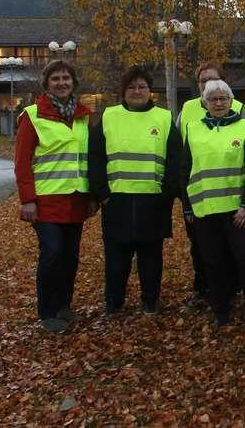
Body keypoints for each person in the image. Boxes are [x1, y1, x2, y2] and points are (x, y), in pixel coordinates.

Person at [88, 66, 181, 315]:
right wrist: (103, 194)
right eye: (131, 87)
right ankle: (114, 302)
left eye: (142, 87)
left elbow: (175, 160)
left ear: (150, 91)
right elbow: (95, 158)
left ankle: (150, 300)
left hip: (153, 202)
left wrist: (166, 195)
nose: (137, 91)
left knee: (151, 258)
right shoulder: (109, 116)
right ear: (123, 91)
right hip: (117, 202)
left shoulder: (163, 118)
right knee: (116, 260)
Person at [14, 59, 95, 333]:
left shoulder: (83, 115)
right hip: (45, 202)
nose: (61, 83)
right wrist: (27, 200)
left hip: (75, 200)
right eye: (56, 78)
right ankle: (47, 311)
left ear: (73, 83)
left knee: (70, 256)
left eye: (66, 78)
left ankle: (64, 306)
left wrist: (92, 196)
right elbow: (22, 162)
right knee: (52, 253)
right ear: (47, 83)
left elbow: (87, 159)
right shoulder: (33, 115)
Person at [180, 80, 245, 330]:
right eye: (213, 99)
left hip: (236, 211)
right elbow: (184, 171)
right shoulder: (192, 129)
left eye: (223, 98)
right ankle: (220, 310)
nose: (218, 103)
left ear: (231, 101)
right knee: (213, 262)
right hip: (204, 210)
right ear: (205, 103)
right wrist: (187, 207)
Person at [177, 62, 245, 305]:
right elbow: (181, 153)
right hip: (201, 197)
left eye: (212, 80)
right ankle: (206, 291)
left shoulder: (241, 110)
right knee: (201, 250)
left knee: (234, 251)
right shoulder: (187, 109)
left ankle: (233, 289)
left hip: (232, 198)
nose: (208, 86)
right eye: (202, 82)